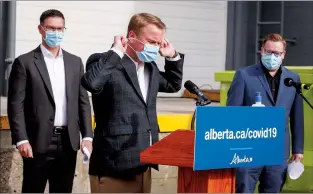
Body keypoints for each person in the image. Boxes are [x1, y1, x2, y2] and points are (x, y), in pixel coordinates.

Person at [81, 13, 184, 193]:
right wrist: (116, 52)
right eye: (151, 41)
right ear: (132, 36)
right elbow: (91, 83)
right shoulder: (104, 61)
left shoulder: (150, 68)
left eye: (158, 43)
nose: (155, 47)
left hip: (145, 161)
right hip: (114, 163)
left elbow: (173, 85)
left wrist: (172, 56)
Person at [7, 9, 93, 193]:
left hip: (68, 141)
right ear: (41, 29)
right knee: (32, 188)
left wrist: (87, 136)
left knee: (63, 189)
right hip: (37, 141)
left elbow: (83, 101)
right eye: (51, 28)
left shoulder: (75, 62)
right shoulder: (25, 62)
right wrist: (21, 139)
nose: (56, 33)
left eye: (60, 29)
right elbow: (16, 105)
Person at [227, 33, 304, 193]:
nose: (272, 56)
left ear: (283, 55)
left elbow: (297, 117)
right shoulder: (244, 75)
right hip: (248, 150)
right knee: (243, 190)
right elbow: (232, 113)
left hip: (277, 151)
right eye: (268, 52)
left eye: (277, 53)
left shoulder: (292, 78)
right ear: (261, 51)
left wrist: (298, 149)